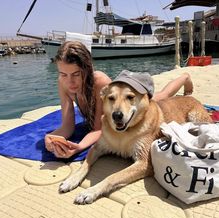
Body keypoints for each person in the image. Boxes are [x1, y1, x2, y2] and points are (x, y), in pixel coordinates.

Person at [45, 41, 193, 159]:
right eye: (63, 74)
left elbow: (99, 129)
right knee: (162, 95)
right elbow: (67, 126)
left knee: (162, 96)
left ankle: (185, 77)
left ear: (87, 68)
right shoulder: (63, 82)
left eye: (76, 74)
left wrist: (79, 147)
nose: (70, 82)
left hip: (120, 103)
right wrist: (52, 138)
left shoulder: (100, 83)